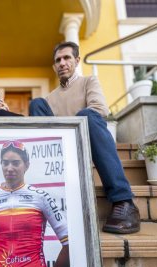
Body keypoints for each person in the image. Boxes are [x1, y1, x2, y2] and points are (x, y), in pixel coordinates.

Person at [29, 41, 140, 234]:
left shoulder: (89, 82)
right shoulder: (48, 100)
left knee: (88, 115)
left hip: (89, 143)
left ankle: (124, 201)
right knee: (35, 104)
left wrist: (73, 125)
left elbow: (99, 110)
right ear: (54, 66)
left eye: (67, 58)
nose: (62, 63)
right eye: (58, 60)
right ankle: (48, 194)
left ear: (77, 60)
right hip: (60, 150)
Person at [0, 140, 69, 267]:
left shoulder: (41, 196)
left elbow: (69, 243)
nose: (9, 168)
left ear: (26, 165)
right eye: (5, 163)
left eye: (15, 163)